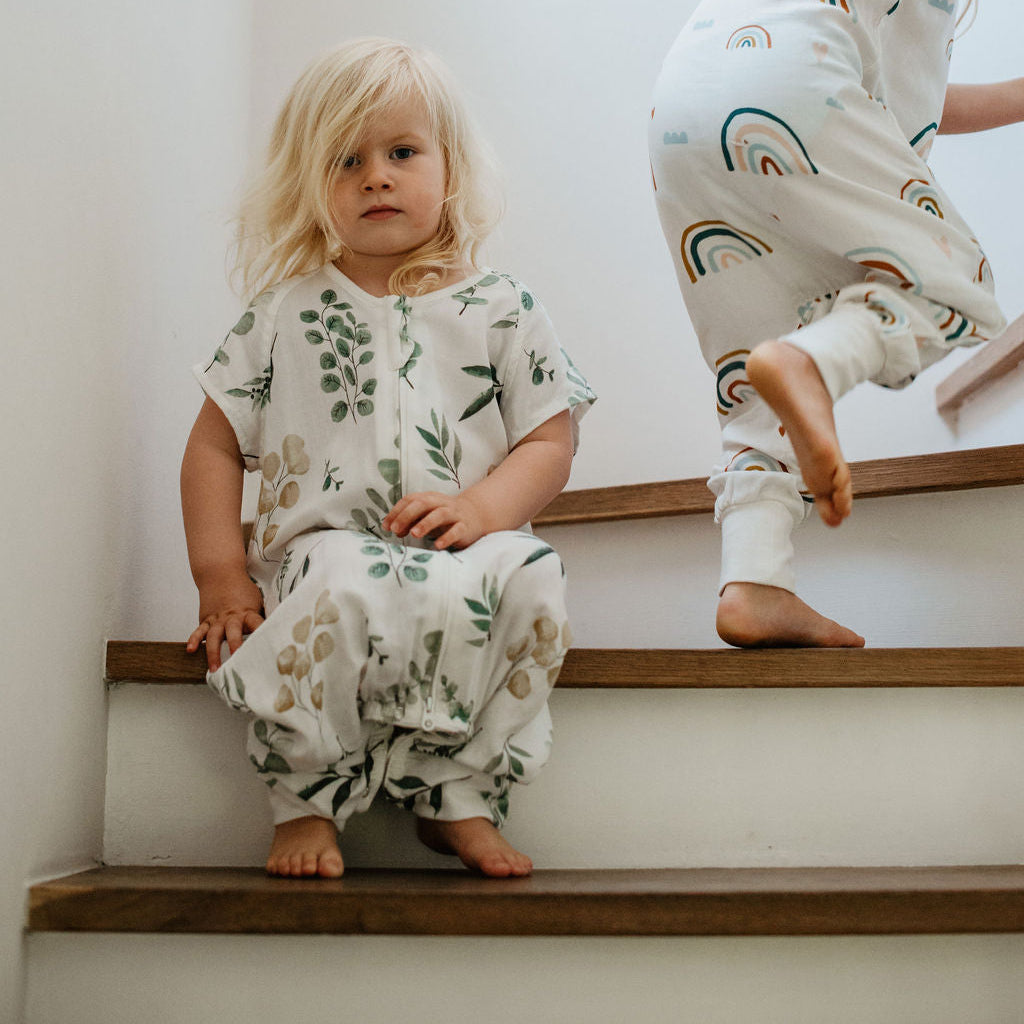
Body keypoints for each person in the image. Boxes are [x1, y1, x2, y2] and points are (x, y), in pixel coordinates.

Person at [181, 38, 595, 879]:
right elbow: (214, 442)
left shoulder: (501, 306)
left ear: (449, 168)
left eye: (402, 152)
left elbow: (551, 437)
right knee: (339, 585)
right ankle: (304, 798)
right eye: (346, 160)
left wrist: (485, 511)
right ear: (311, 184)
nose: (376, 175)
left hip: (463, 548)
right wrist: (221, 575)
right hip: (326, 551)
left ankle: (458, 792)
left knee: (533, 575)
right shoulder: (284, 311)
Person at [649, 0, 1023, 647]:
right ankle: (815, 363)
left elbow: (915, 95)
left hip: (683, 104)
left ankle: (755, 579)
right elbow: (901, 116)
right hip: (792, 79)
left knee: (752, 373)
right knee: (953, 280)